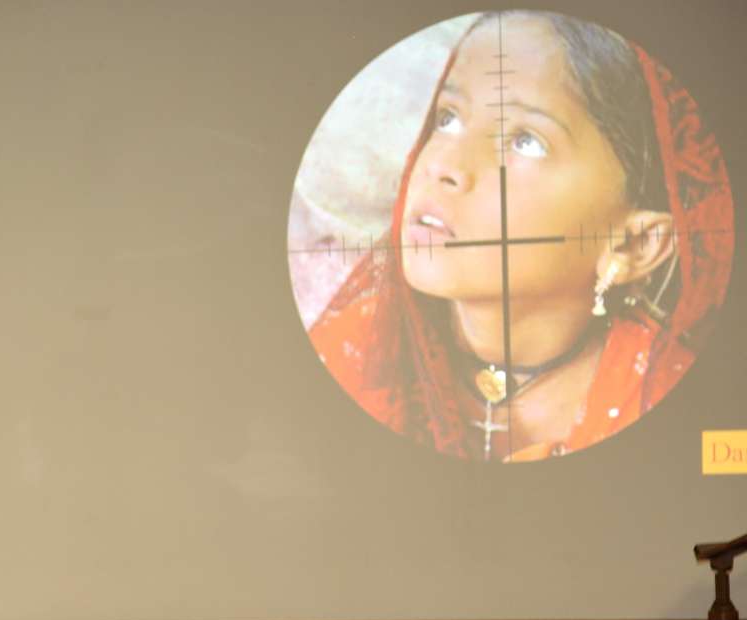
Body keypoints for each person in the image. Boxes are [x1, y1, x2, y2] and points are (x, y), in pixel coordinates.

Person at [308, 11, 731, 461]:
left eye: (526, 141)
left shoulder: (667, 403)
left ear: (635, 244)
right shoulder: (359, 349)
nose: (444, 165)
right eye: (447, 118)